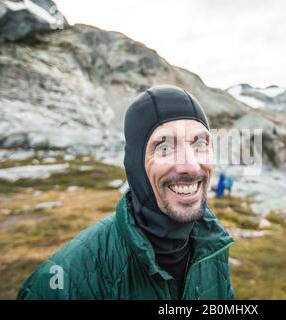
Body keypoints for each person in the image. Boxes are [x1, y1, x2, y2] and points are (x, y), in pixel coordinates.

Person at [17, 85, 235, 300]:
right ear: (135, 165)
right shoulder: (65, 281)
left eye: (200, 144)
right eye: (165, 148)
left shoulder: (214, 247)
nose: (191, 166)